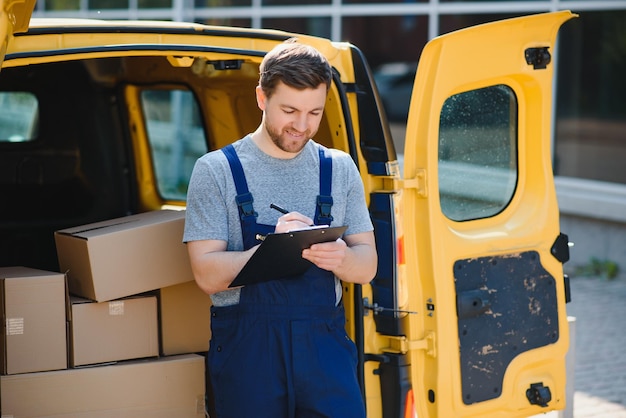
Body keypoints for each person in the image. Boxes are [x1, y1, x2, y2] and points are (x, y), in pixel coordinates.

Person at [184, 38, 378, 418]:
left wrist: (341, 258)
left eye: (315, 113)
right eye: (289, 110)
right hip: (249, 353)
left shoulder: (338, 169)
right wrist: (271, 250)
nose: (302, 126)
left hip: (325, 350)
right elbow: (206, 274)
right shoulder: (216, 171)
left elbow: (367, 264)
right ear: (262, 98)